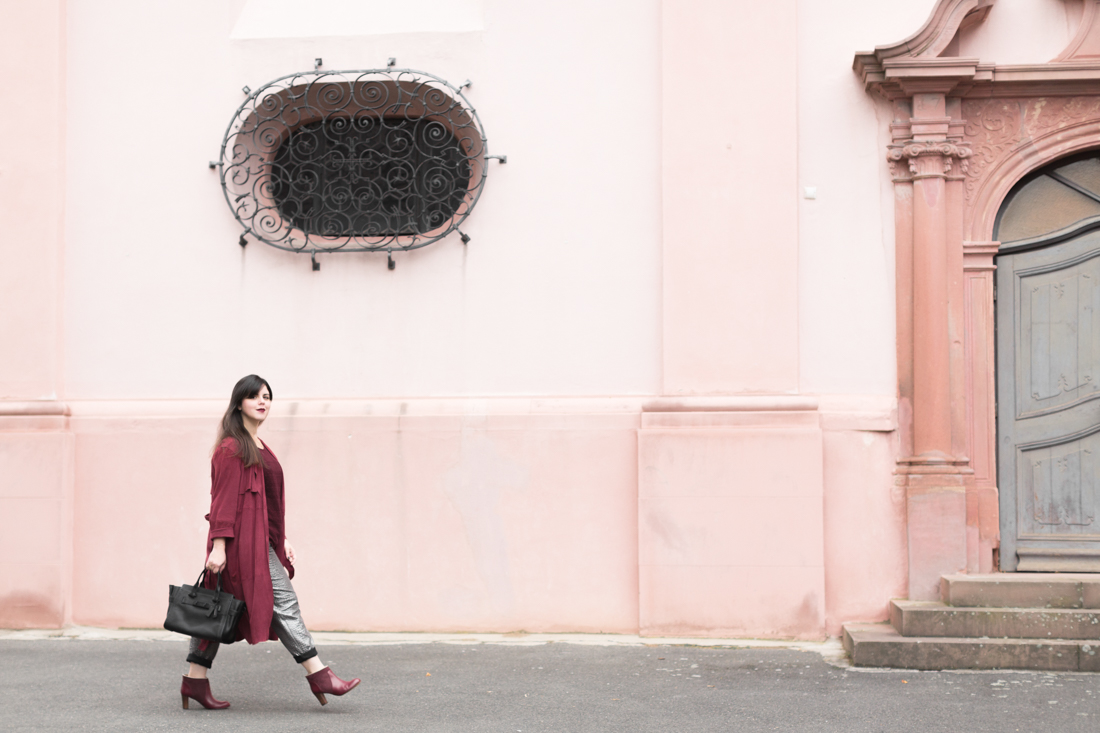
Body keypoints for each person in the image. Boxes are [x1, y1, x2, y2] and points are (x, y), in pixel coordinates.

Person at [180, 374, 360, 710]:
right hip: (238, 546)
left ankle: (194, 682)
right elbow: (222, 502)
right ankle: (319, 675)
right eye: (254, 397)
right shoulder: (231, 447)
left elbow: (265, 501)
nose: (263, 402)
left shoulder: (257, 444)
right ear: (239, 403)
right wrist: (219, 546)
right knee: (283, 602)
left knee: (215, 610)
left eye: (267, 396)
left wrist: (282, 538)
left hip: (257, 542)